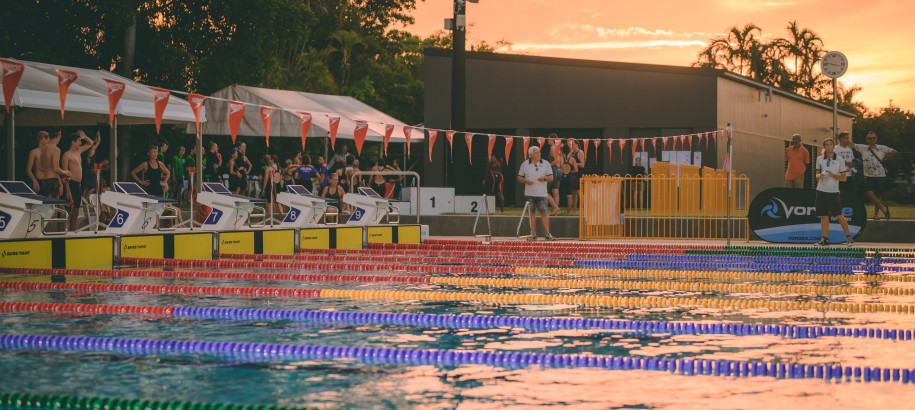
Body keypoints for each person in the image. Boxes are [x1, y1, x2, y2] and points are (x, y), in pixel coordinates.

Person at [815, 138, 854, 246]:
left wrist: (834, 175)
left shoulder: (840, 160)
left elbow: (844, 178)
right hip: (821, 191)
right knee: (823, 216)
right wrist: (820, 176)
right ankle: (825, 238)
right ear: (824, 147)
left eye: (830, 144)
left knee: (838, 215)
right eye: (826, 145)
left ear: (833, 146)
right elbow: (816, 174)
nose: (828, 146)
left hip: (833, 191)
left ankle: (848, 237)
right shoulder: (819, 159)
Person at [855, 131, 898, 220]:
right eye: (869, 138)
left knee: (878, 195)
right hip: (868, 175)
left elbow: (894, 151)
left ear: (876, 138)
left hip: (880, 175)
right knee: (869, 193)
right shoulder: (863, 148)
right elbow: (851, 145)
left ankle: (876, 215)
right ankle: (883, 208)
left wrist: (885, 157)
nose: (871, 140)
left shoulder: (881, 148)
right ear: (866, 139)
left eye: (873, 138)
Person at [517, 145, 555, 240]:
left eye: (539, 152)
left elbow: (551, 177)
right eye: (537, 153)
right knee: (532, 214)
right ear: (531, 155)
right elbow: (519, 177)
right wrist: (526, 181)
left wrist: (544, 179)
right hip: (529, 193)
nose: (539, 154)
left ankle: (547, 234)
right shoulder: (525, 164)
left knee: (544, 213)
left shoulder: (545, 163)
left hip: (541, 193)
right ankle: (533, 234)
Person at [60, 131, 95, 231]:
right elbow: (64, 174)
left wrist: (85, 136)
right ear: (73, 142)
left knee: (76, 212)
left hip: (78, 184)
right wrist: (67, 190)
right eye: (79, 141)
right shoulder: (66, 155)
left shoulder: (79, 151)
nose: (81, 142)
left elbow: (90, 143)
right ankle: (64, 232)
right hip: (71, 184)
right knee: (68, 211)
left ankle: (73, 232)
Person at [36, 131, 70, 198]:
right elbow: (56, 169)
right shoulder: (56, 149)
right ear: (59, 135)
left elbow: (41, 168)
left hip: (44, 180)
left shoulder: (43, 148)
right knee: (52, 205)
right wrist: (66, 172)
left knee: (46, 205)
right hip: (52, 182)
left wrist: (60, 184)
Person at [565, 139, 584, 214]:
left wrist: (574, 163)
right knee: (573, 193)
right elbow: (567, 159)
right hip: (572, 174)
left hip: (578, 174)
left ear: (577, 144)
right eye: (571, 144)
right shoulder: (572, 152)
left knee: (579, 192)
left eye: (572, 144)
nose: (571, 146)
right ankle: (574, 210)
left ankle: (585, 209)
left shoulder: (580, 152)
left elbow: (582, 165)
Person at [547, 136, 563, 215]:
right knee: (555, 191)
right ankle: (555, 212)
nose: (547, 140)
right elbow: (561, 162)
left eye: (548, 139)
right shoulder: (558, 148)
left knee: (543, 191)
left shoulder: (553, 148)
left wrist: (548, 165)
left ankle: (555, 207)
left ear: (553, 139)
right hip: (559, 171)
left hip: (554, 170)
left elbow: (556, 160)